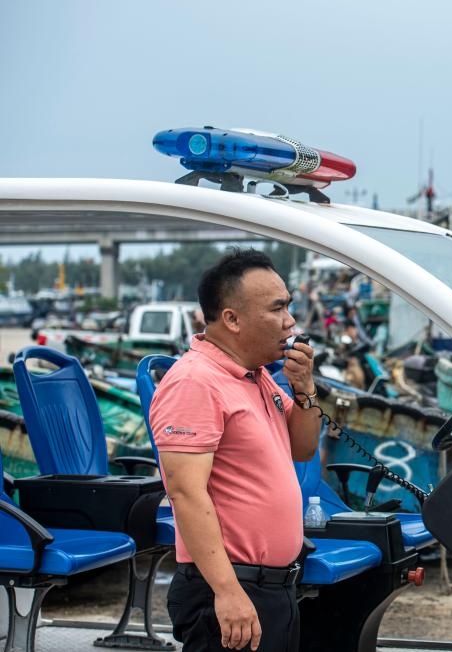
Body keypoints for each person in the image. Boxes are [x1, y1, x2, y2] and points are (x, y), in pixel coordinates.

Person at [149, 249, 324, 652]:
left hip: (272, 586)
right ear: (232, 318)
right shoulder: (195, 382)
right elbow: (186, 493)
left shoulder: (255, 377)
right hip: (230, 589)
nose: (290, 321)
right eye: (277, 308)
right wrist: (227, 592)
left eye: (289, 307)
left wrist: (305, 390)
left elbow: (303, 447)